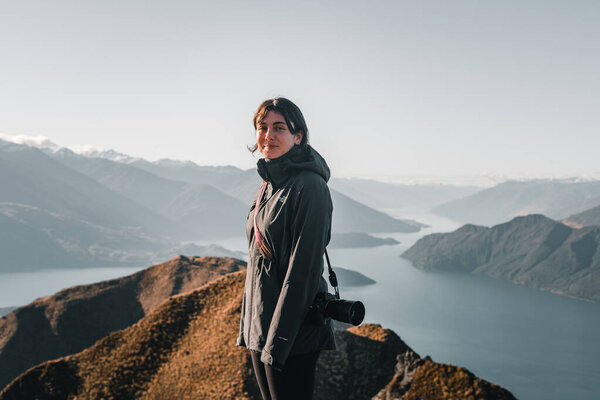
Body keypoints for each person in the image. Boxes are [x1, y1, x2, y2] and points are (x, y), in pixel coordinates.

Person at [237, 97, 336, 400]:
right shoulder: (269, 183)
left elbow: (302, 271)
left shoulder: (309, 186)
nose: (268, 135)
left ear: (298, 136)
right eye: (262, 127)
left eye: (279, 128)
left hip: (292, 333)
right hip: (261, 326)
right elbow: (259, 261)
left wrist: (278, 341)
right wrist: (250, 327)